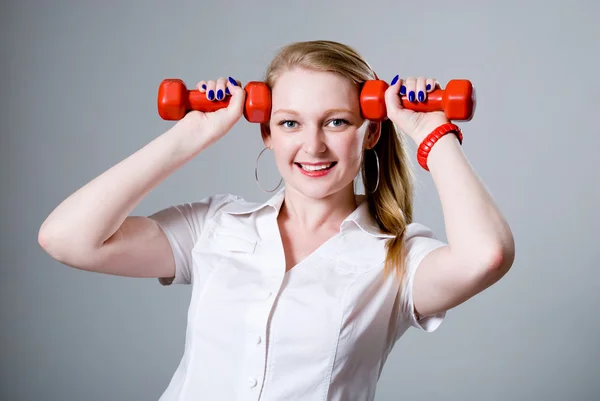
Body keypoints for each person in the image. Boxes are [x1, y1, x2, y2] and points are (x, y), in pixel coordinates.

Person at [38, 40, 515, 400]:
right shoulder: (214, 226)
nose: (313, 146)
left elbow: (486, 256)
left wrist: (432, 132)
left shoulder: (398, 259)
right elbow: (67, 239)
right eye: (290, 123)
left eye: (336, 121)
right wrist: (190, 136)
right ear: (265, 131)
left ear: (369, 132)